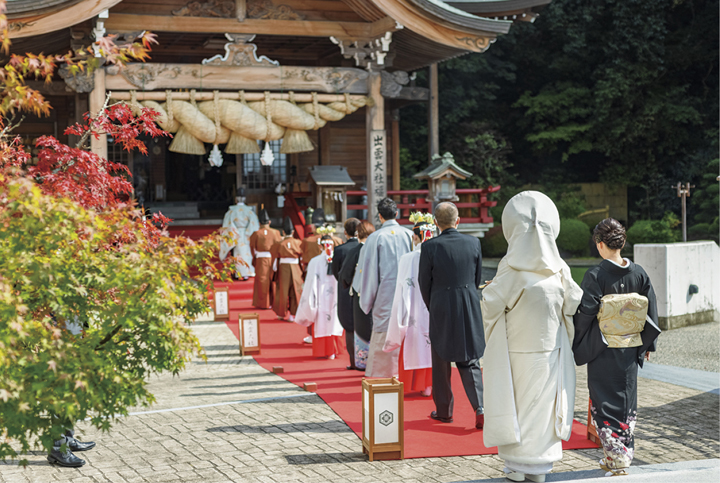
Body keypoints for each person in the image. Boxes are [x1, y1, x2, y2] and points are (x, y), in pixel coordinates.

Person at [480, 191, 583, 483]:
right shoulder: (559, 267)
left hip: (517, 349)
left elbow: (491, 303)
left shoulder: (511, 268)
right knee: (545, 409)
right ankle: (541, 467)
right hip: (550, 349)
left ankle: (518, 465)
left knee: (519, 406)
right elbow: (573, 301)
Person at [573, 218, 661, 477]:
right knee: (626, 401)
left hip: (602, 349)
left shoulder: (595, 275)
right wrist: (647, 344)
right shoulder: (639, 273)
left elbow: (586, 314)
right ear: (621, 243)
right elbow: (651, 312)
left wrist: (576, 338)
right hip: (630, 348)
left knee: (603, 402)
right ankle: (618, 457)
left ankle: (617, 459)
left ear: (600, 244)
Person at [418, 202, 485, 429]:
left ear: (435, 223)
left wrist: (432, 305)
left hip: (441, 304)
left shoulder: (429, 247)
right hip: (468, 303)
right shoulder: (473, 242)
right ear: (458, 221)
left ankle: (445, 411)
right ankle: (480, 407)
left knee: (441, 360)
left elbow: (423, 283)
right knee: (469, 360)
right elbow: (477, 279)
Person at [356, 198, 413, 377]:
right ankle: (410, 375)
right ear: (397, 214)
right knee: (409, 329)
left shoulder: (376, 237)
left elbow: (369, 272)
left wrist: (366, 298)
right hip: (409, 292)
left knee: (384, 331)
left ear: (380, 216)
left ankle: (382, 374)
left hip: (384, 293)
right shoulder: (410, 235)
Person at [383, 212, 435, 396]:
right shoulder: (438, 254)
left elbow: (402, 288)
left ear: (415, 237)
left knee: (414, 342)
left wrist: (399, 313)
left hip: (413, 307)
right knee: (431, 344)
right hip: (433, 307)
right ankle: (429, 385)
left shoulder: (408, 258)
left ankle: (413, 383)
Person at [295, 230, 345, 359]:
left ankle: (325, 351)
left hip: (320, 297)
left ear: (320, 246)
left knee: (321, 321)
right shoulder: (339, 259)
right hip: (336, 297)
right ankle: (334, 351)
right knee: (335, 320)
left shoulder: (315, 261)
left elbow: (310, 283)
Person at [339, 220, 376, 370]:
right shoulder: (377, 248)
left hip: (360, 293)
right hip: (380, 294)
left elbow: (344, 275)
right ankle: (379, 363)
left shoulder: (356, 250)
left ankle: (361, 363)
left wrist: (347, 284)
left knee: (360, 328)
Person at [331, 218, 362, 369]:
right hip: (362, 289)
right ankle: (365, 359)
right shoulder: (365, 248)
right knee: (363, 323)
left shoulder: (339, 250)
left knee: (349, 326)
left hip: (345, 290)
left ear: (345, 232)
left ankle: (353, 361)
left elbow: (336, 272)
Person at [220, 189, 259, 280]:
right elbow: (254, 225)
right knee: (247, 254)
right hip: (247, 234)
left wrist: (234, 235)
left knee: (237, 254)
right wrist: (248, 234)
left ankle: (238, 273)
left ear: (236, 199)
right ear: (245, 199)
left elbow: (227, 225)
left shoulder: (231, 212)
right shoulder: (249, 212)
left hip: (235, 234)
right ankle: (247, 273)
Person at [271, 217, 303, 322]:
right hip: (295, 266)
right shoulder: (298, 242)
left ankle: (281, 313)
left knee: (282, 291)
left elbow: (275, 259)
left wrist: (274, 270)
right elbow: (301, 258)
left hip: (283, 267)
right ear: (293, 232)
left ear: (283, 232)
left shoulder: (279, 243)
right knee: (295, 290)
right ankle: (293, 315)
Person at [249, 208, 282, 309]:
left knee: (262, 280)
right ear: (270, 222)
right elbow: (280, 246)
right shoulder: (276, 232)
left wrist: (255, 258)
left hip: (261, 259)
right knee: (273, 280)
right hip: (273, 258)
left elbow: (252, 248)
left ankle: (263, 303)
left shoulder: (256, 233)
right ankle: (274, 302)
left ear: (259, 223)